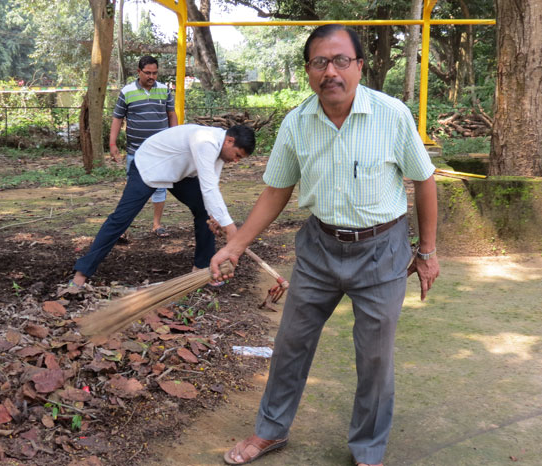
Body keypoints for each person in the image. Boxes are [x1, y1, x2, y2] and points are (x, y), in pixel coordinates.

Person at [210, 25, 440, 466]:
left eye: (340, 61)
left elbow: (424, 179)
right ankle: (269, 431)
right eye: (319, 62)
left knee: (374, 356)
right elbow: (276, 191)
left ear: (359, 66)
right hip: (319, 247)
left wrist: (426, 251)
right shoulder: (297, 123)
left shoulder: (392, 115)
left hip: (382, 249)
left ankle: (367, 450)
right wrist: (235, 246)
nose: (330, 71)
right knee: (292, 341)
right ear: (308, 70)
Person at [69, 124, 256, 288]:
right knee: (121, 219)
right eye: (237, 155)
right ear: (229, 141)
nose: (236, 161)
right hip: (149, 167)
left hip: (178, 175)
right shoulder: (206, 141)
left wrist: (216, 218)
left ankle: (202, 268)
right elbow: (208, 188)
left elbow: (211, 187)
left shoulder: (220, 151)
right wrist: (231, 229)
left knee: (204, 211)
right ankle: (82, 273)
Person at [110, 55, 178, 238]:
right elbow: (118, 118)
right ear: (138, 72)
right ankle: (123, 228)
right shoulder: (127, 91)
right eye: (147, 73)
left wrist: (176, 138)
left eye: (155, 73)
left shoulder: (164, 90)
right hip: (135, 151)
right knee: (133, 189)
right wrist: (112, 143)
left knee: (160, 186)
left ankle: (157, 224)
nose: (152, 76)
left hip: (161, 152)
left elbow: (172, 115)